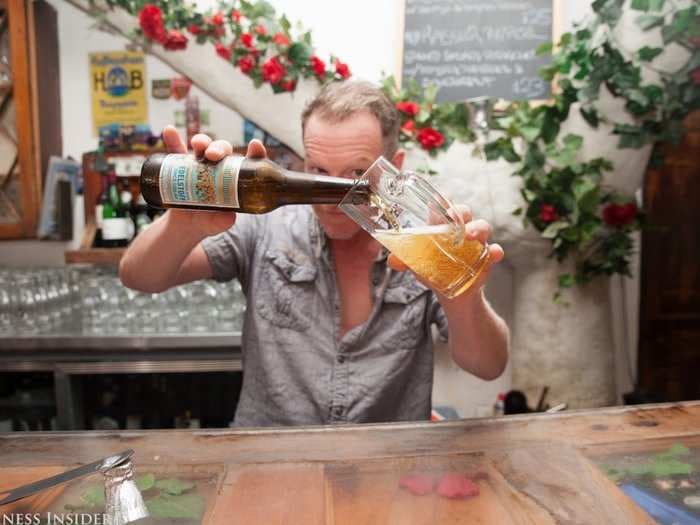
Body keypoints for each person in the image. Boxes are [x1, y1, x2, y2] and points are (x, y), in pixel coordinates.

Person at [120, 80, 509, 427]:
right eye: (318, 169)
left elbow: (488, 365)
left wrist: (460, 293)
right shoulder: (266, 225)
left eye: (355, 174)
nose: (333, 196)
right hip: (271, 471)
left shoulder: (425, 239)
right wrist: (183, 224)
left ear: (396, 166)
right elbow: (140, 276)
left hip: (384, 477)